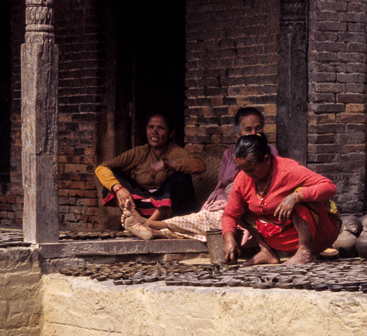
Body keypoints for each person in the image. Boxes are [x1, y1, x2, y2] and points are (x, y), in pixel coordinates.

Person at [122, 107, 276, 242]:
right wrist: (219, 202)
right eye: (248, 130)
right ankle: (155, 232)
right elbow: (221, 186)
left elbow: (269, 183)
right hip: (228, 202)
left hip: (251, 205)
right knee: (205, 220)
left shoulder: (268, 151)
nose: (254, 134)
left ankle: (148, 224)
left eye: (258, 128)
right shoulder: (229, 154)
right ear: (237, 134)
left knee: (210, 221)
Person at [222, 133, 340, 265]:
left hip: (317, 236)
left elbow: (329, 186)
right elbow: (230, 214)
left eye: (251, 169)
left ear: (267, 159)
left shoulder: (288, 169)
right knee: (240, 209)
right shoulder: (242, 178)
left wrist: (295, 197)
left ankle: (304, 251)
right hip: (279, 237)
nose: (246, 174)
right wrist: (228, 238)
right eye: (242, 169)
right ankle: (267, 251)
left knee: (301, 195)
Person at [95, 114, 205, 222]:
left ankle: (148, 224)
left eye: (161, 128)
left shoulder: (176, 151)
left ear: (171, 133)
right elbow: (101, 168)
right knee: (110, 178)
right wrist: (118, 188)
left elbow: (200, 166)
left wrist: (166, 163)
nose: (154, 132)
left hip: (168, 209)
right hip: (142, 206)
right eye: (151, 127)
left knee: (182, 177)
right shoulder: (140, 152)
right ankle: (133, 217)